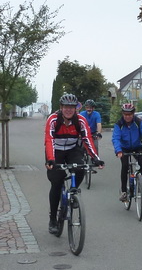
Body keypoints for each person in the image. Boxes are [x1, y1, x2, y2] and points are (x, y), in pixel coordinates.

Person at [44, 93, 104, 233]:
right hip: (55, 151)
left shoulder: (80, 120)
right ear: (61, 107)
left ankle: (73, 192)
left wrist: (95, 158)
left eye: (72, 107)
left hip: (72, 149)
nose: (69, 110)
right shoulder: (53, 119)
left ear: (76, 108)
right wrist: (51, 159)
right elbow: (49, 140)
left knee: (80, 168)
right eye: (66, 107)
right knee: (56, 183)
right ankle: (53, 219)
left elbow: (87, 139)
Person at [111, 102, 142, 202]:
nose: (127, 116)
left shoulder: (139, 122)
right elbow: (116, 138)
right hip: (124, 148)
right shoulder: (119, 124)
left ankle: (135, 177)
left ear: (133, 114)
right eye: (125, 114)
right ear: (123, 114)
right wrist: (118, 151)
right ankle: (124, 191)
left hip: (137, 146)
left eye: (130, 114)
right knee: (125, 166)